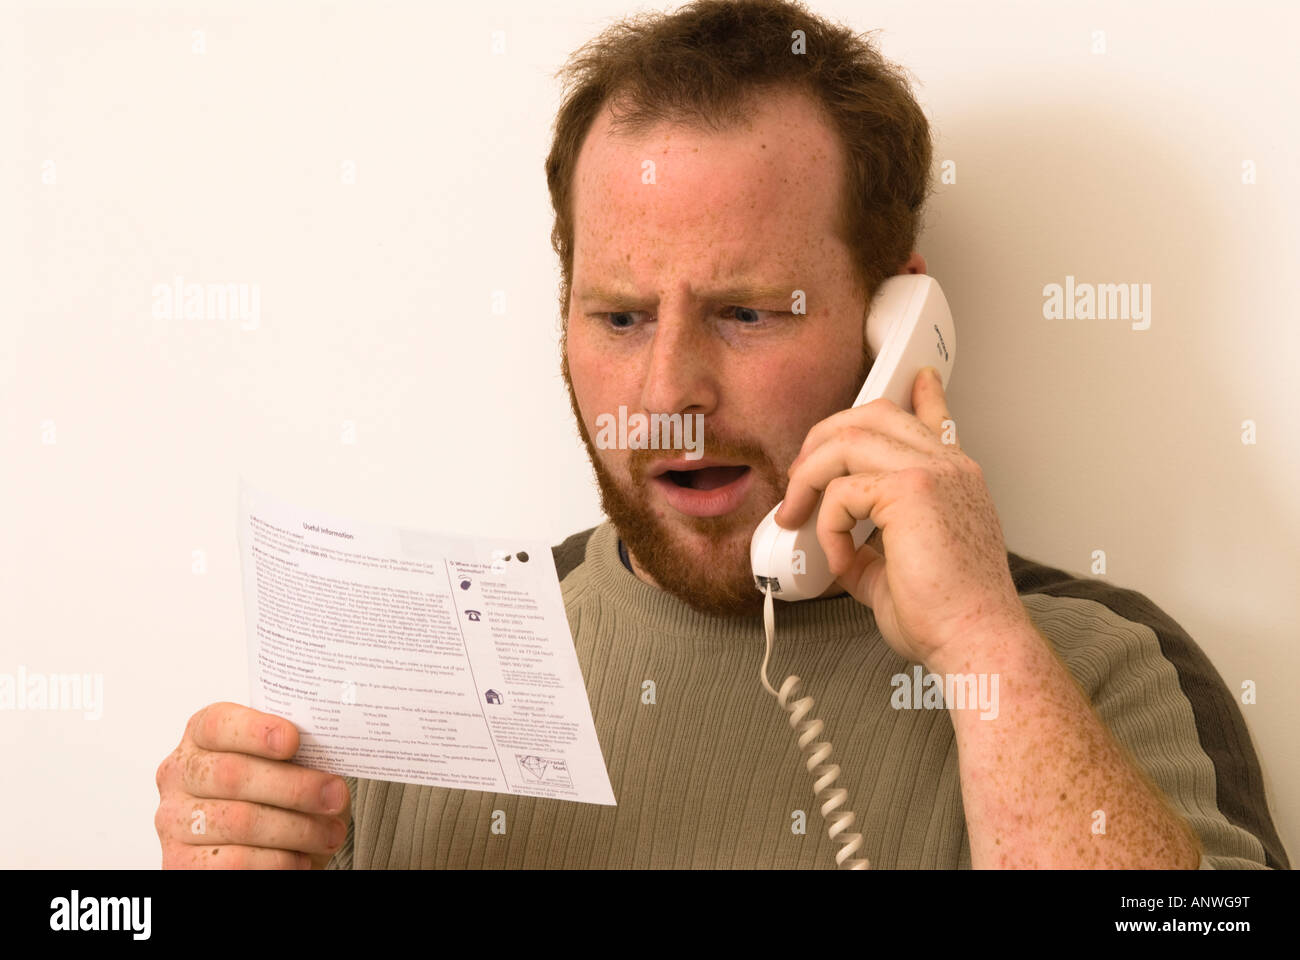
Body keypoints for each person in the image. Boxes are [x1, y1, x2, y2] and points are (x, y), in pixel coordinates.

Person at [154, 0, 1289, 869]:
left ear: (901, 325)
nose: (666, 390)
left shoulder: (1097, 667)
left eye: (747, 312)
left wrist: (985, 651)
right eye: (619, 316)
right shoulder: (433, 672)